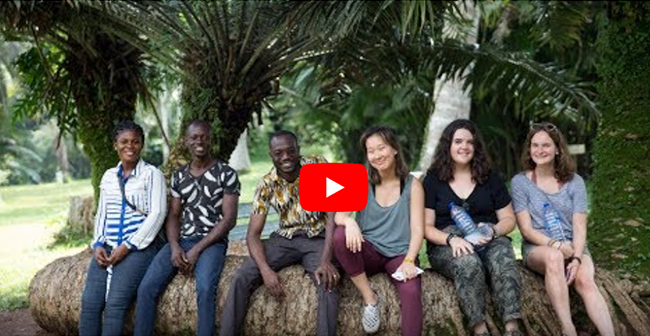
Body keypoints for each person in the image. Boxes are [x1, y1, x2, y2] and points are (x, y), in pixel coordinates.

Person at [219, 130, 340, 336]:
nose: (285, 157)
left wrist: (327, 259)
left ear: (298, 150)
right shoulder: (266, 184)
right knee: (241, 276)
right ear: (271, 154)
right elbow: (253, 235)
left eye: (290, 151)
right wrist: (265, 271)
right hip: (285, 239)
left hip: (318, 237)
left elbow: (333, 216)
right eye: (279, 153)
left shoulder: (318, 165)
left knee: (328, 282)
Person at [134, 120, 240, 336]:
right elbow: (173, 214)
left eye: (203, 136)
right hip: (182, 240)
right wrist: (174, 246)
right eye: (194, 137)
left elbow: (229, 219)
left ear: (210, 139)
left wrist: (197, 249)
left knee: (204, 288)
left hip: (212, 242)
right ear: (186, 141)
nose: (198, 141)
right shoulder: (179, 176)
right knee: (146, 288)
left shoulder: (226, 173)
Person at [511, 122, 614, 336]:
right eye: (535, 145)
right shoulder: (520, 183)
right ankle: (568, 329)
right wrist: (556, 245)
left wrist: (576, 258)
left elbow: (579, 225)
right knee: (554, 258)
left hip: (573, 245)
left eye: (546, 145)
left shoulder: (575, 182)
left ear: (557, 149)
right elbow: (526, 230)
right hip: (539, 247)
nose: (540, 150)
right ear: (529, 149)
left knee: (586, 281)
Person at [422, 119, 522, 336]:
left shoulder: (490, 178)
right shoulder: (432, 181)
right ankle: (479, 328)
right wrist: (451, 240)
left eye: (470, 142)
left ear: (476, 147)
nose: (464, 147)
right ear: (448, 145)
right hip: (448, 242)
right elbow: (426, 227)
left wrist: (492, 230)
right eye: (458, 141)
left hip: (487, 238)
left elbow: (508, 219)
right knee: (468, 263)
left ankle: (512, 327)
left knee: (504, 258)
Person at [333, 126, 424, 336]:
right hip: (369, 252)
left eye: (381, 148)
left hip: (399, 255)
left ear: (394, 149)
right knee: (340, 235)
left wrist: (410, 260)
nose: (376, 155)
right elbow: (339, 215)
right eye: (371, 151)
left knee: (411, 291)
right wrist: (350, 222)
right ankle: (369, 298)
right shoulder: (361, 180)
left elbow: (418, 229)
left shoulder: (413, 185)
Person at [79, 120, 167, 336]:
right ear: (115, 145)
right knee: (90, 304)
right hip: (107, 246)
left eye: (136, 141)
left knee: (115, 306)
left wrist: (128, 245)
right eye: (124, 141)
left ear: (142, 145)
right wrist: (98, 243)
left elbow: (157, 214)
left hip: (139, 248)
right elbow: (102, 213)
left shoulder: (152, 174)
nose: (130, 146)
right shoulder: (109, 176)